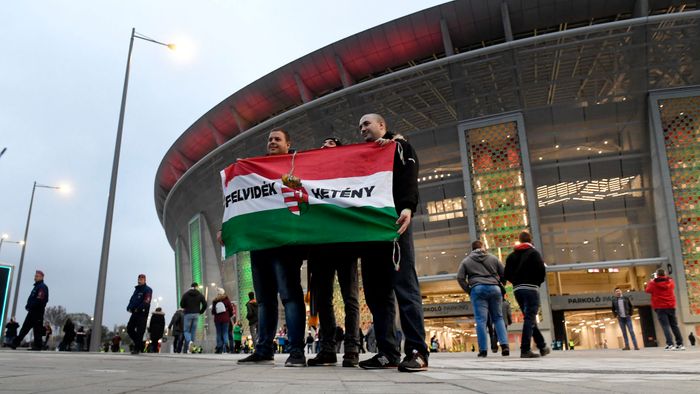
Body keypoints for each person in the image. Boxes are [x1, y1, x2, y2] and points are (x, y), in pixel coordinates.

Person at [356, 114, 429, 372]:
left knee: (405, 289)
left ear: (382, 126)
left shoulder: (399, 147)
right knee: (376, 295)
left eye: (367, 123)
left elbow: (409, 175)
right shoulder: (363, 155)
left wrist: (408, 207)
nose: (363, 128)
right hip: (369, 234)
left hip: (395, 226)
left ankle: (417, 352)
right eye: (360, 125)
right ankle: (387, 352)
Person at [237, 129, 307, 367]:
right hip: (260, 245)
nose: (272, 142)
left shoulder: (297, 167)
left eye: (278, 139)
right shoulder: (255, 171)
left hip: (285, 244)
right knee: (265, 300)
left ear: (289, 143)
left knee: (290, 296)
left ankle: (296, 351)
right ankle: (264, 348)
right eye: (269, 139)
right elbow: (241, 201)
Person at [306, 135, 363, 367]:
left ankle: (351, 348)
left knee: (350, 298)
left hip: (345, 243)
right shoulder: (312, 174)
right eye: (323, 143)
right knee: (323, 300)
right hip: (320, 246)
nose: (324, 145)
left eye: (331, 144)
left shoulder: (347, 174)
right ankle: (327, 349)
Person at [457, 240, 510, 357]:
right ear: (482, 247)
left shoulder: (466, 261)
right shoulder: (493, 258)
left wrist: (469, 290)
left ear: (472, 249)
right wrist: (501, 285)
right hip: (495, 289)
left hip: (477, 289)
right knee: (498, 318)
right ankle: (505, 345)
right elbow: (504, 273)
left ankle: (483, 350)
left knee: (481, 320)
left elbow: (460, 277)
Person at [504, 231, 551, 359]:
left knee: (529, 317)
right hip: (531, 288)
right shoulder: (534, 253)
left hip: (518, 290)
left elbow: (506, 274)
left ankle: (542, 346)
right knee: (530, 317)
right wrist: (537, 282)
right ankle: (525, 349)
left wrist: (516, 282)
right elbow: (542, 271)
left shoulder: (511, 256)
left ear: (519, 241)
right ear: (530, 241)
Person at [645, 268, 685, 350]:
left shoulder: (653, 283)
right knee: (674, 325)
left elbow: (647, 290)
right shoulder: (670, 281)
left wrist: (651, 281)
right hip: (671, 305)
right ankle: (680, 344)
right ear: (665, 273)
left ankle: (670, 344)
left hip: (660, 306)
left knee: (665, 326)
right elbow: (672, 287)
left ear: (657, 274)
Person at [11, 270, 49, 350]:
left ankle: (38, 346)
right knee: (25, 328)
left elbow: (40, 300)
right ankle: (15, 343)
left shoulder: (42, 287)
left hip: (37, 311)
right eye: (35, 276)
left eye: (37, 276)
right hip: (32, 311)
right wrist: (28, 306)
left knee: (37, 329)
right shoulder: (37, 286)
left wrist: (31, 306)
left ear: (42, 277)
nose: (35, 277)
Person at [126, 274, 152, 355]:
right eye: (139, 279)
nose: (140, 280)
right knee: (129, 329)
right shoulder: (136, 289)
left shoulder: (148, 289)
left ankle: (136, 349)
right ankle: (140, 344)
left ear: (145, 280)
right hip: (134, 312)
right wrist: (129, 307)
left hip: (142, 313)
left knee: (140, 331)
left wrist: (139, 308)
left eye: (142, 279)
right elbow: (132, 300)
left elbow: (147, 301)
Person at [179, 282, 206, 353]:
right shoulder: (199, 294)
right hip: (196, 314)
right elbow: (205, 304)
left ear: (191, 286)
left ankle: (189, 342)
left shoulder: (186, 294)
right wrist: (200, 311)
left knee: (186, 331)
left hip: (188, 314)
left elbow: (181, 304)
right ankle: (191, 346)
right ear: (196, 287)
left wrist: (186, 306)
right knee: (193, 331)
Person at [211, 288, 235, 354]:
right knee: (225, 332)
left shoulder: (215, 301)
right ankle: (226, 345)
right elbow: (231, 309)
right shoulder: (227, 300)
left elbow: (213, 311)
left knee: (218, 333)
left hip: (217, 319)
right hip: (225, 319)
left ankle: (219, 348)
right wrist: (229, 315)